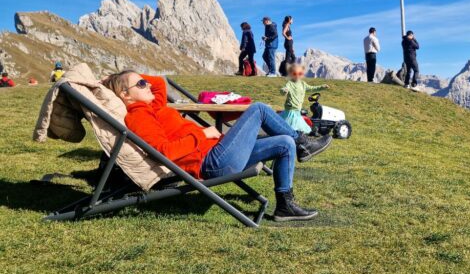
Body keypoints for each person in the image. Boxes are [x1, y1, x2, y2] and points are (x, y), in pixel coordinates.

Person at [102, 70, 333, 221]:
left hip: (219, 151)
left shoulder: (154, 106)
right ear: (126, 95)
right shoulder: (139, 117)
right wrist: (202, 134)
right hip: (211, 162)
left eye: (144, 83)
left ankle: (285, 205)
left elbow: (160, 83)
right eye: (141, 84)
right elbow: (164, 152)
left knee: (284, 143)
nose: (148, 86)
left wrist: (126, 79)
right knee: (259, 109)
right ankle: (303, 143)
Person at [280, 63, 329, 134]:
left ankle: (301, 134)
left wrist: (322, 87)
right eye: (294, 73)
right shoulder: (290, 83)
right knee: (289, 127)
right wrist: (284, 91)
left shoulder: (303, 84)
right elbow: (283, 90)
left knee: (299, 127)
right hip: (290, 110)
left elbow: (312, 88)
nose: (297, 75)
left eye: (299, 73)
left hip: (297, 111)